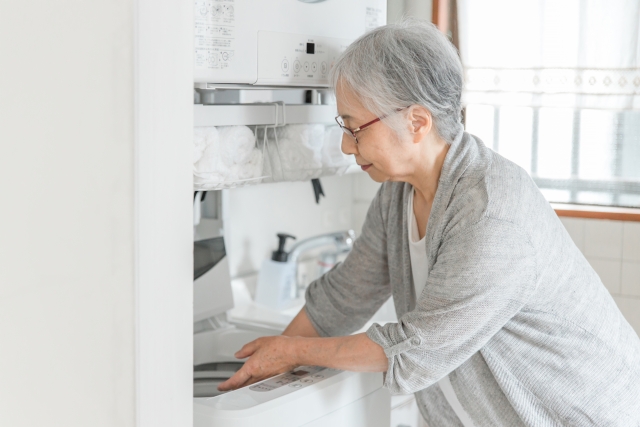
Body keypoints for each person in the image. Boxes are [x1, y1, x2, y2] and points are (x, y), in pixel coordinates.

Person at [218, 19, 640, 425]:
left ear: (417, 122)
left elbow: (415, 352)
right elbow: (344, 297)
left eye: (354, 127)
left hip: (581, 413)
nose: (347, 146)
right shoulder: (397, 195)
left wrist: (293, 352)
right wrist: (265, 366)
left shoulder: (491, 214)